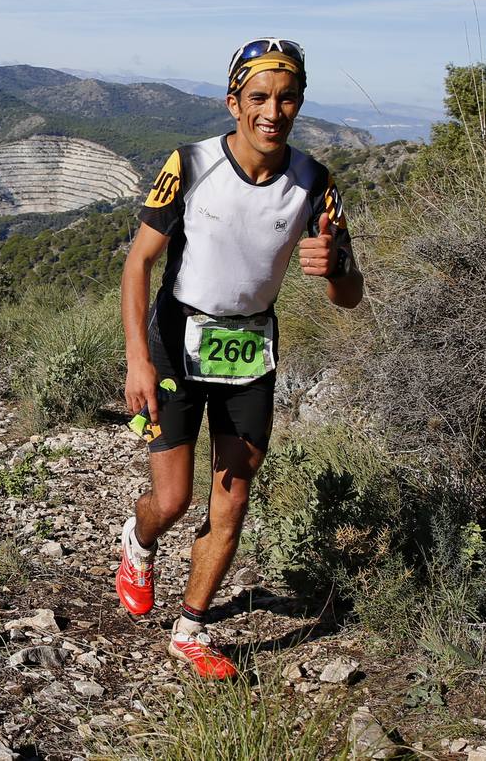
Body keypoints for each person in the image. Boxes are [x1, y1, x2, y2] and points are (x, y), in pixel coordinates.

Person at [114, 38, 364, 679]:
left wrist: (334, 267)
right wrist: (137, 360)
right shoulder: (191, 164)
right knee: (172, 500)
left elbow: (349, 296)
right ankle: (140, 543)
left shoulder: (315, 183)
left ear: (299, 104)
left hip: (250, 347)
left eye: (286, 99)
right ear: (234, 102)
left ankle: (192, 628)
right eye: (258, 98)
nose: (272, 112)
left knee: (232, 499)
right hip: (177, 336)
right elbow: (139, 261)